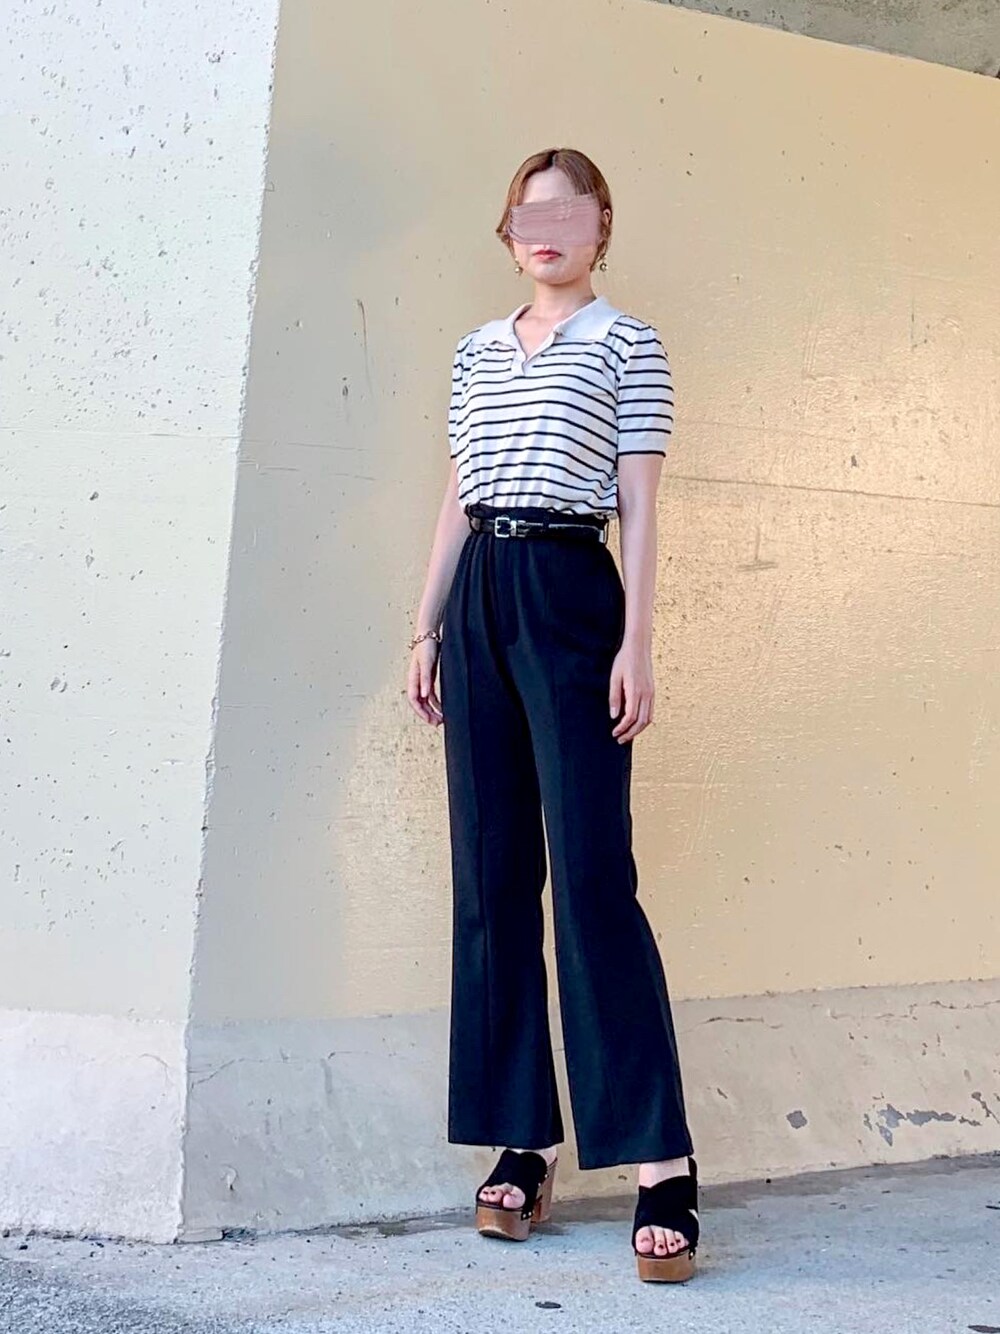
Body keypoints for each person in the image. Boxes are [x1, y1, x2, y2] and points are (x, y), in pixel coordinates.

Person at [406, 147, 700, 1283]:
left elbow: (640, 503)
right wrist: (426, 624)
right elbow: (457, 490)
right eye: (529, 212)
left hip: (573, 591)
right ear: (509, 229)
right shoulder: (477, 350)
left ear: (600, 227)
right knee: (489, 877)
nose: (547, 229)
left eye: (568, 212)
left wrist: (637, 640)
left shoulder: (628, 343)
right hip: (479, 589)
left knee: (589, 876)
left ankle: (660, 1159)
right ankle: (521, 1142)